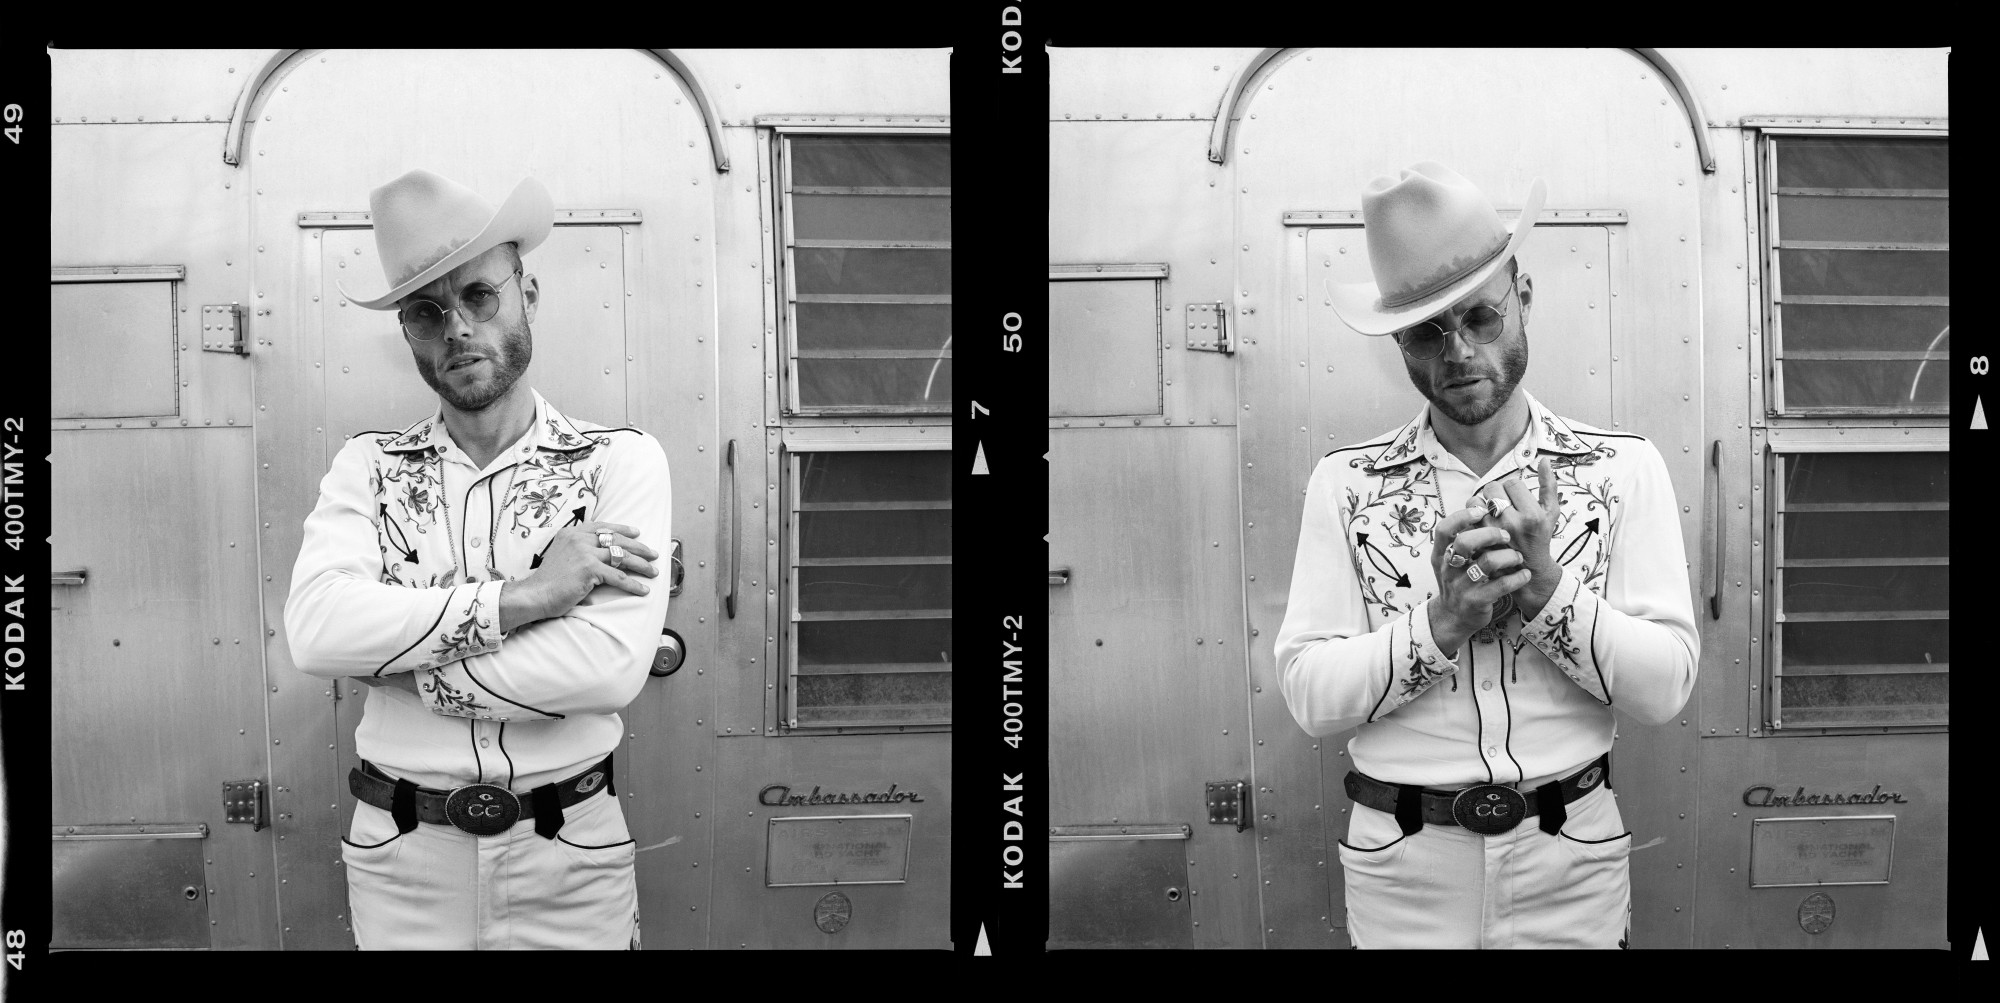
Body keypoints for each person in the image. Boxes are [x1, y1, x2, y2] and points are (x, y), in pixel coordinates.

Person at [1273, 162, 1698, 949]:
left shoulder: (1620, 470)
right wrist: (1440, 623)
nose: (1459, 352)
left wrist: (1548, 596)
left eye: (1480, 318)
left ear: (1523, 298)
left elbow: (1665, 685)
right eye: (1427, 332)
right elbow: (1308, 695)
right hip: (1403, 864)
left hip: (1571, 855)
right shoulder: (1345, 486)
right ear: (1398, 340)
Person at [285, 168, 672, 949]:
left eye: (480, 296)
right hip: (403, 854)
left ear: (527, 292)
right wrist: (526, 598)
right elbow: (319, 634)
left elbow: (605, 669)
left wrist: (396, 664)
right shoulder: (368, 467)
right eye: (427, 311)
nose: (457, 326)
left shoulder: (617, 463)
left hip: (570, 851)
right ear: (408, 333)